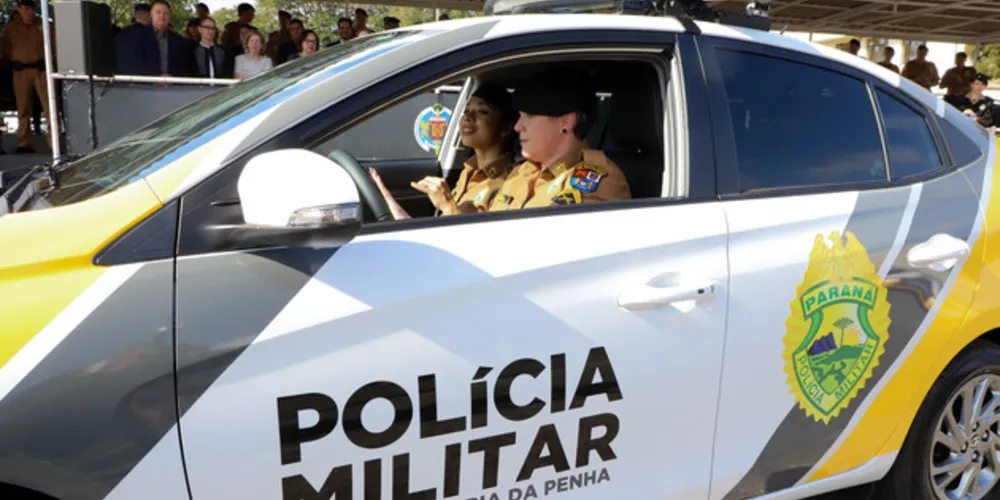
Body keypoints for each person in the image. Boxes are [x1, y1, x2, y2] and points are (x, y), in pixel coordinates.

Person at [368, 84, 519, 219]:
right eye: (466, 111)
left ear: (507, 127)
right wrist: (385, 196)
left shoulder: (512, 182)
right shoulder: (468, 172)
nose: (468, 117)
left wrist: (448, 206)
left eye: (482, 112)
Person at [489, 73, 630, 210]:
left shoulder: (594, 181)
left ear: (566, 122)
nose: (518, 126)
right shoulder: (522, 171)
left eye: (530, 115)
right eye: (520, 116)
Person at [1, 0, 54, 153]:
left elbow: (55, 45)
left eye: (32, 9)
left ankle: (53, 142)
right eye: (26, 8)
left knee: (50, 106)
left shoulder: (44, 25)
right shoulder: (11, 28)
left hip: (42, 70)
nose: (30, 12)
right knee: (23, 108)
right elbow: (5, 48)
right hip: (20, 70)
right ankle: (24, 142)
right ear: (19, 9)